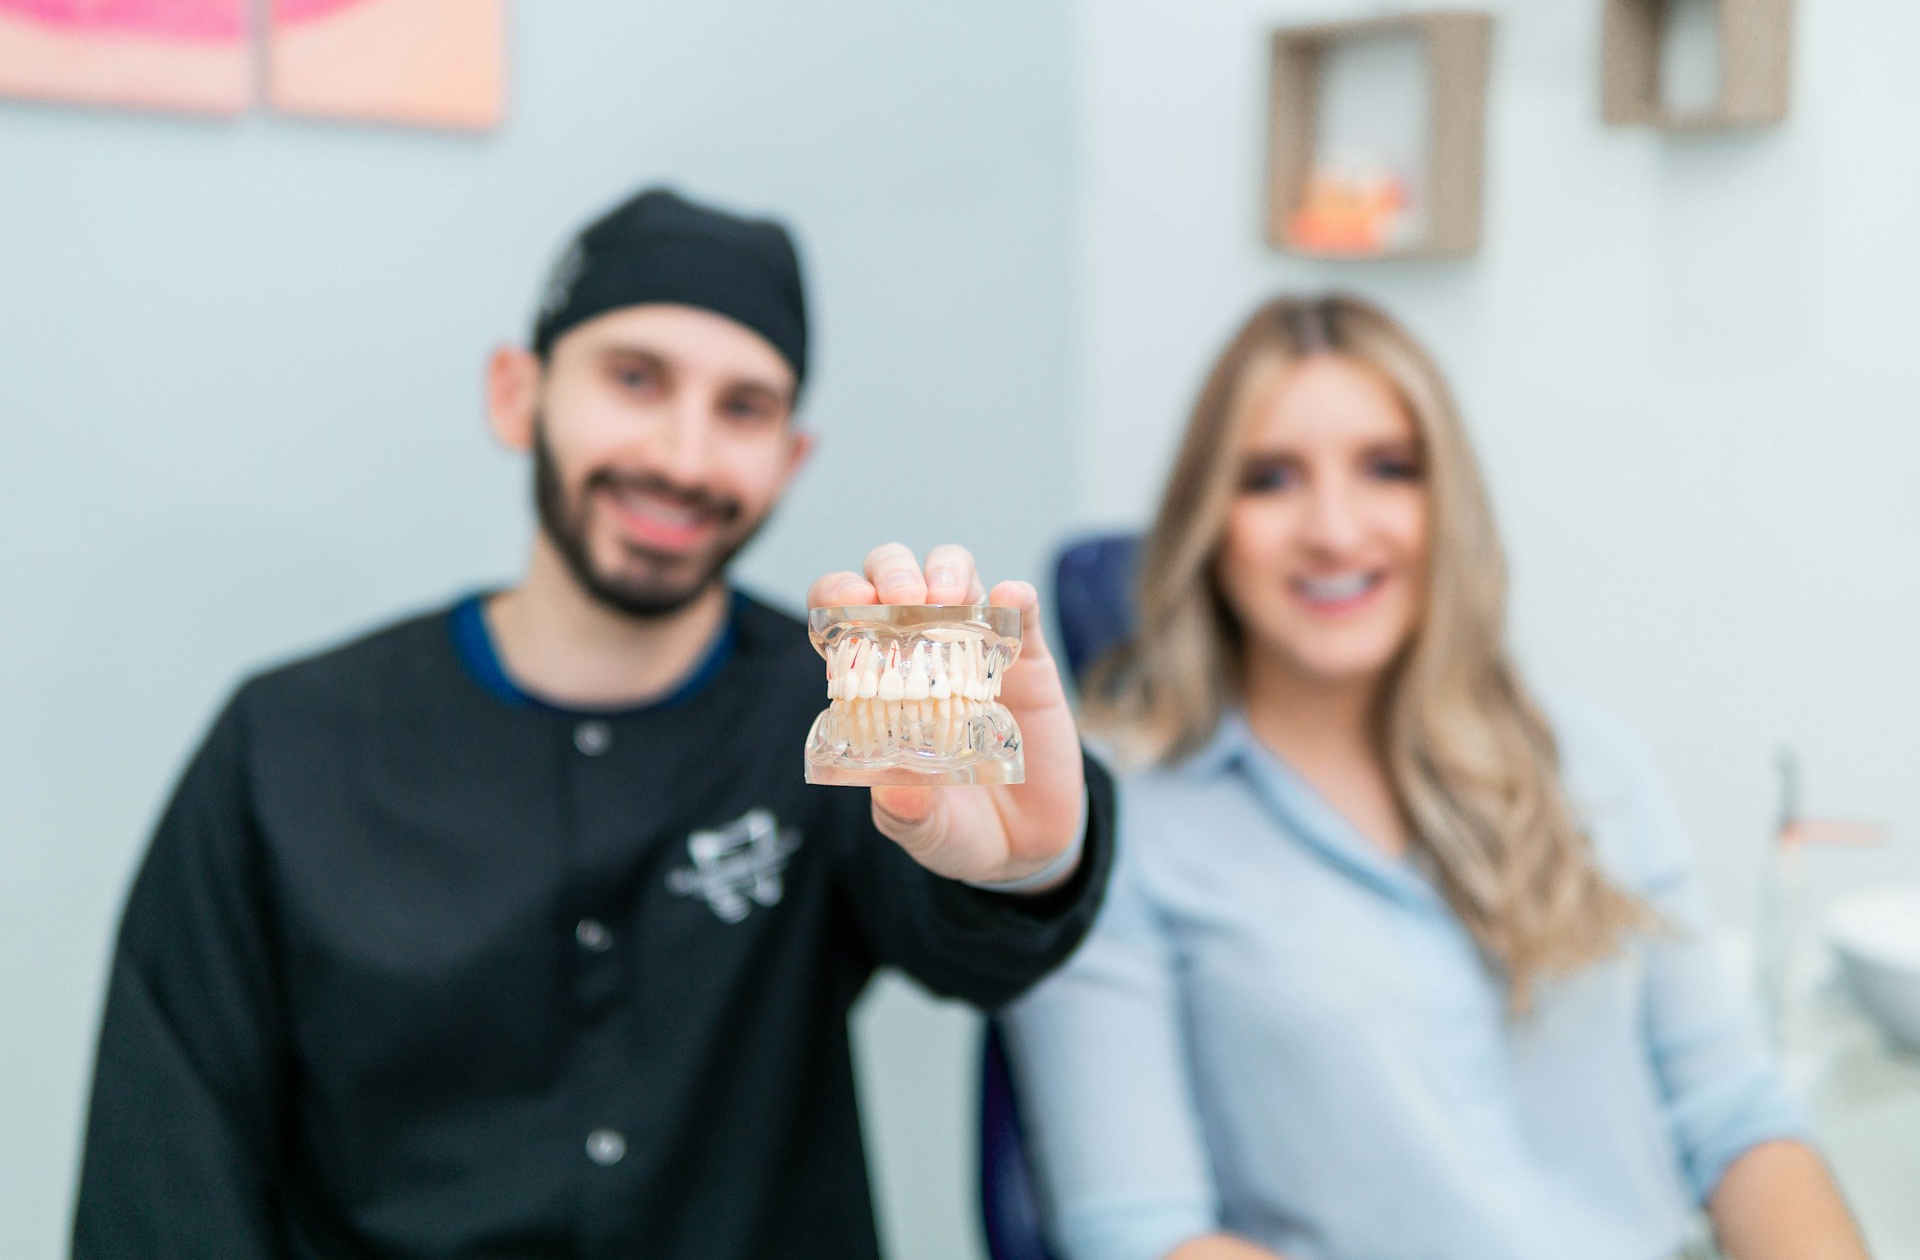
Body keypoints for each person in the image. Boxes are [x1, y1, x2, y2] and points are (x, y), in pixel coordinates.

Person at [73, 187, 1114, 1260]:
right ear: (517, 394)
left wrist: (1029, 866)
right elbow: (163, 1176)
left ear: (791, 460)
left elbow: (978, 934)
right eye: (634, 379)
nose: (685, 455)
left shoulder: (845, 709)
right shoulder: (285, 741)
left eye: (744, 408)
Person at [999, 295, 1866, 1260]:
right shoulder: (1103, 822)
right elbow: (1139, 1230)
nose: (1334, 529)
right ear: (1209, 521)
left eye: (1389, 469)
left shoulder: (1590, 762)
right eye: (1271, 479)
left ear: (1446, 502)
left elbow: (1737, 1119)